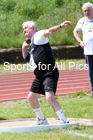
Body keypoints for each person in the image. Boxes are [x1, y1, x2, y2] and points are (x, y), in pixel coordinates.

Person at [22, 20, 72, 126]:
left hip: (49, 72)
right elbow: (27, 59)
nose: (24, 30)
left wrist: (60, 25)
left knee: (49, 97)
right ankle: (41, 120)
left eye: (26, 28)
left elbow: (49, 31)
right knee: (31, 98)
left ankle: (64, 121)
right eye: (23, 29)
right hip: (39, 75)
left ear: (33, 29)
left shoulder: (38, 35)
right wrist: (24, 47)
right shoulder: (33, 44)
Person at [73, 2, 93, 98]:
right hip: (89, 51)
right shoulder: (82, 20)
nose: (86, 12)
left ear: (92, 10)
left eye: (88, 10)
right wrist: (80, 41)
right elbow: (75, 31)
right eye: (84, 11)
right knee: (91, 72)